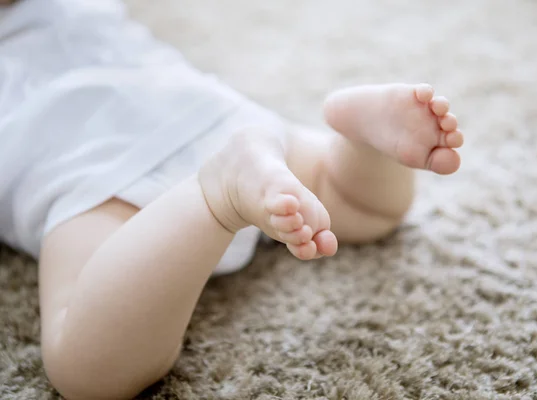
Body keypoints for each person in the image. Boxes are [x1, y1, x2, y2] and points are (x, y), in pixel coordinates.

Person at [0, 0, 463, 398]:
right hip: (207, 114)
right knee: (364, 209)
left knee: (89, 371)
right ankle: (360, 144)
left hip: (85, 165)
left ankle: (213, 197)